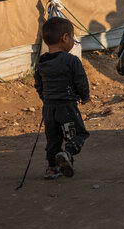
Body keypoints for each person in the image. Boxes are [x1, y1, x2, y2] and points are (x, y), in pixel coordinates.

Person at [35, 17, 90, 179]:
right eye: (72, 37)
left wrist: (45, 99)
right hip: (67, 107)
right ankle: (67, 153)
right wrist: (85, 97)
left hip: (49, 108)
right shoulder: (71, 61)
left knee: (53, 139)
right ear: (65, 38)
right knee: (77, 134)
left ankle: (52, 167)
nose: (73, 41)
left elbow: (39, 85)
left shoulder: (41, 63)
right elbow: (80, 81)